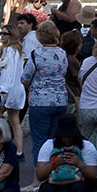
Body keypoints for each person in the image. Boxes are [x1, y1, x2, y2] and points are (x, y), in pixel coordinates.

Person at [22, 20, 69, 155]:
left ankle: (39, 173)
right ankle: (54, 171)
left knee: (39, 141)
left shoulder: (36, 54)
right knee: (55, 140)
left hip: (40, 101)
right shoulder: (62, 53)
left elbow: (26, 78)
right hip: (60, 99)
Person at [0, 27, 27, 154]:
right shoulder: (18, 51)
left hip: (8, 89)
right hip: (17, 89)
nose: (2, 36)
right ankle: (19, 150)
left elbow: (9, 73)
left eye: (4, 34)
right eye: (1, 33)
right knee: (15, 121)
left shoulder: (9, 51)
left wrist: (4, 90)